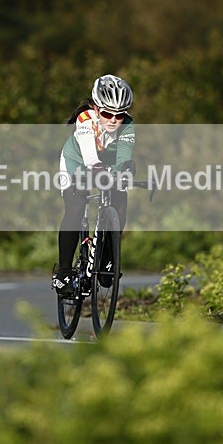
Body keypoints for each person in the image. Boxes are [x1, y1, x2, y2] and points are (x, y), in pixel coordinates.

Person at [52, 74, 136, 295]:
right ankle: (64, 273)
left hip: (105, 163)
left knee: (120, 199)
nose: (113, 120)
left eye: (119, 115)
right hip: (76, 162)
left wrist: (125, 169)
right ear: (95, 108)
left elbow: (123, 157)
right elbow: (89, 156)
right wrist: (99, 171)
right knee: (76, 206)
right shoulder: (85, 119)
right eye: (107, 113)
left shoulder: (127, 125)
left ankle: (108, 256)